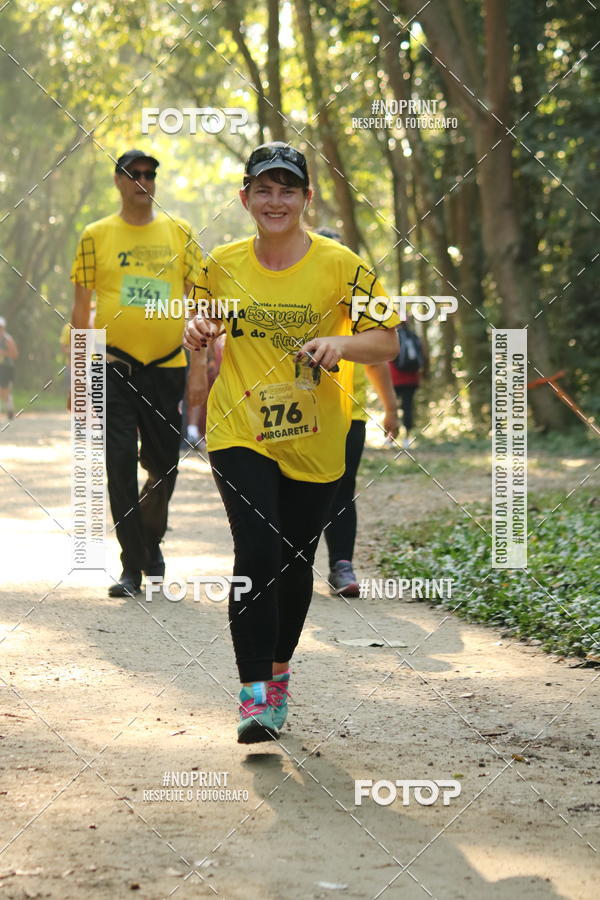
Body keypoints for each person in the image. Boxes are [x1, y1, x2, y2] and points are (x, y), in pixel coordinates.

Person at [184, 141, 399, 743]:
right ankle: (254, 696)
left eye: (286, 190)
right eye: (263, 189)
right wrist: (195, 336)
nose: (274, 201)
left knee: (295, 560)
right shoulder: (220, 263)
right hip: (240, 427)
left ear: (306, 198)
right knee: (256, 551)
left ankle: (278, 676)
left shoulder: (342, 265)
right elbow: (200, 332)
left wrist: (342, 344)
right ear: (245, 197)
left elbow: (386, 340)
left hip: (316, 435)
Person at [70, 149, 207, 597]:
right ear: (118, 180)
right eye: (133, 174)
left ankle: (151, 541)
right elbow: (81, 311)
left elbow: (200, 303)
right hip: (114, 365)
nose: (142, 181)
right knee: (118, 463)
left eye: (149, 174)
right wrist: (78, 376)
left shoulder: (180, 231)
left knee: (164, 465)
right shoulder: (95, 235)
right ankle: (132, 565)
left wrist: (199, 369)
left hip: (167, 366)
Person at [313, 228, 399, 597]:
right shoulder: (297, 296)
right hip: (297, 409)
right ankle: (291, 564)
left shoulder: (358, 301)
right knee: (299, 488)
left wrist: (390, 408)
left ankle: (341, 566)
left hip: (348, 412)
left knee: (341, 487)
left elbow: (378, 360)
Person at [389, 317, 424, 448]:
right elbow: (422, 358)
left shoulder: (391, 337)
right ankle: (407, 439)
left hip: (394, 378)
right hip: (411, 379)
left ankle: (391, 438)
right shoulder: (414, 337)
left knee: (391, 408)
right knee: (407, 408)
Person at [0, 317, 18, 421]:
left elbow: (15, 354)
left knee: (5, 390)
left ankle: (10, 410)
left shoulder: (8, 339)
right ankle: (9, 408)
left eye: (1, 327)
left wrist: (4, 353)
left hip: (6, 367)